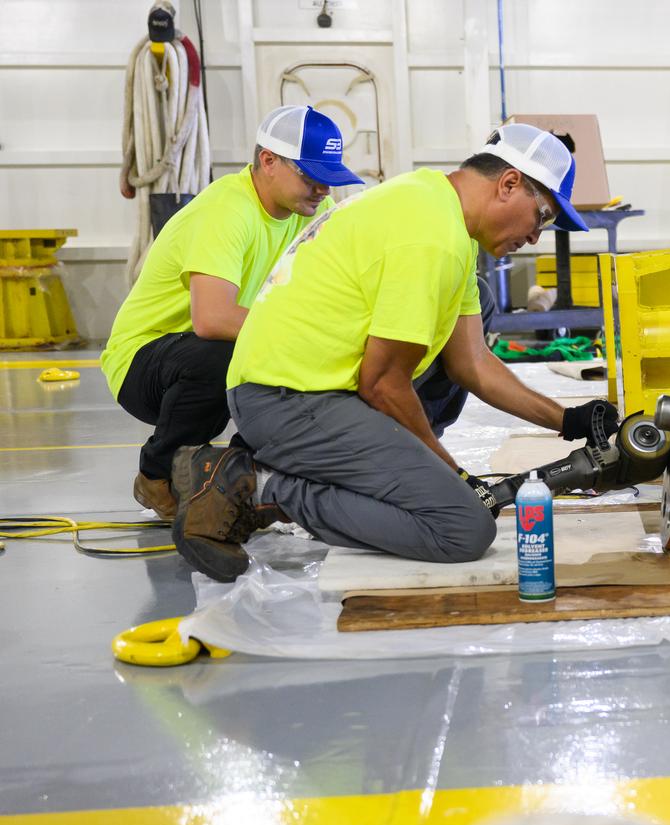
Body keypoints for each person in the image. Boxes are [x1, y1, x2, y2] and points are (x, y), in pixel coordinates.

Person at [169, 124, 620, 581]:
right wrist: (456, 478)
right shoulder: (430, 238)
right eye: (542, 217)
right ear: (508, 184)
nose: (536, 237)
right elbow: (383, 384)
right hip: (287, 399)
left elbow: (472, 363)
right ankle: (257, 486)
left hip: (308, 386)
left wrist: (568, 420)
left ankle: (379, 472)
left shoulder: (436, 208)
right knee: (463, 527)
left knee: (476, 302)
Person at [102, 105, 363, 519]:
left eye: (328, 180)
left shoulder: (308, 216)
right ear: (268, 161)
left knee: (310, 354)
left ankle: (240, 473)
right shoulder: (226, 210)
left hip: (211, 349)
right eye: (311, 177)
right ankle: (156, 475)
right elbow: (213, 319)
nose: (323, 190)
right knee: (231, 354)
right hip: (146, 361)